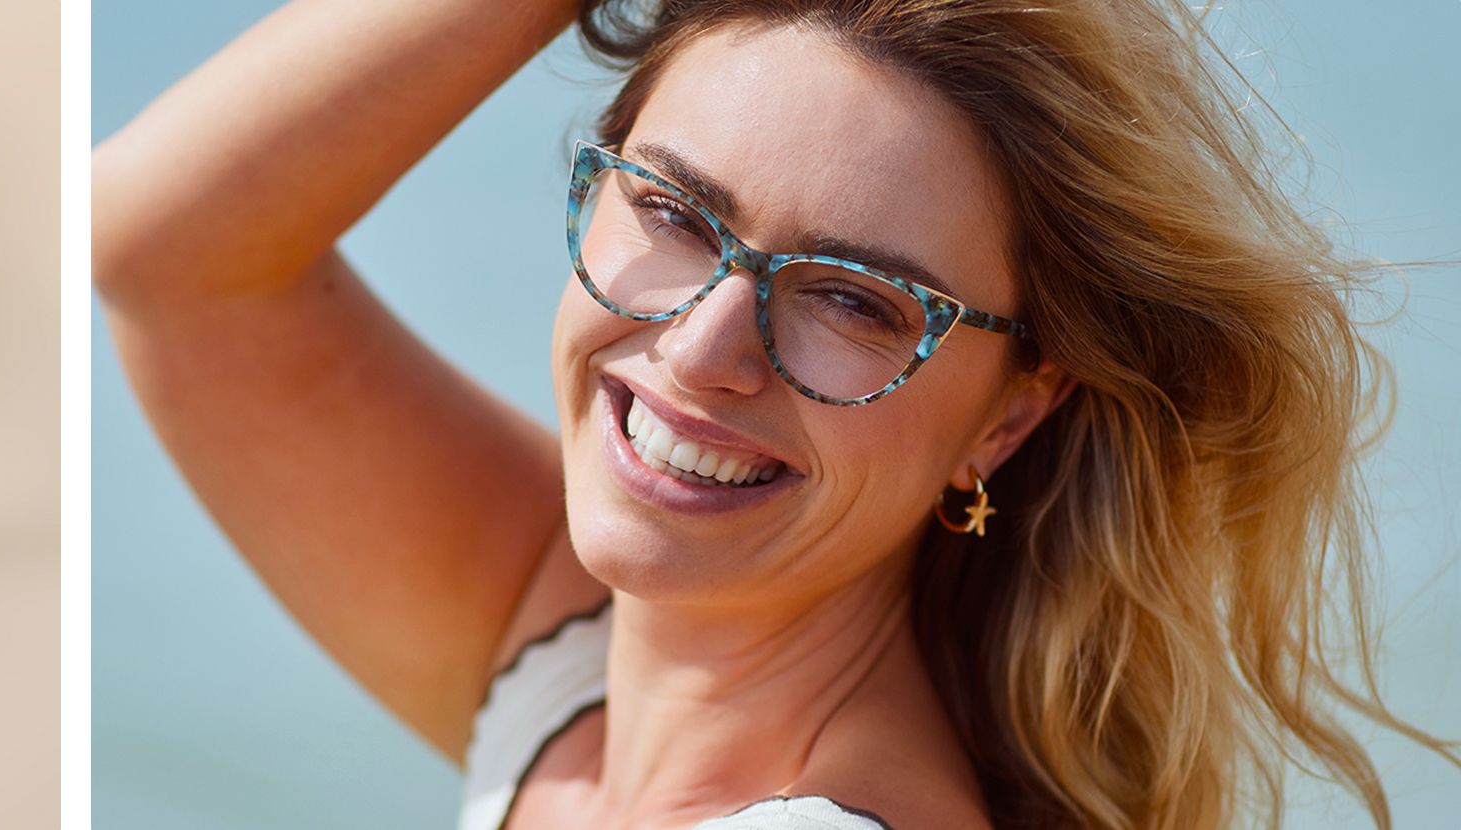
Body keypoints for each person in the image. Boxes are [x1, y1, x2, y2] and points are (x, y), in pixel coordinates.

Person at [94, 0, 1457, 826]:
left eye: (860, 302)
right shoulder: (579, 655)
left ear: (1010, 418)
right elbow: (167, 254)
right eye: (676, 213)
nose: (702, 349)